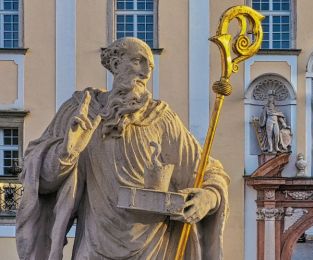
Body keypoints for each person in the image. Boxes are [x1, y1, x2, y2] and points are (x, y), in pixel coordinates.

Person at [16, 37, 229, 260]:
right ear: (116, 65)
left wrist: (209, 197)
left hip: (154, 249)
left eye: (150, 66)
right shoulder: (81, 111)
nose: (146, 73)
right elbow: (42, 181)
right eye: (139, 61)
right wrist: (68, 150)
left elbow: (209, 172)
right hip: (94, 247)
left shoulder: (162, 119)